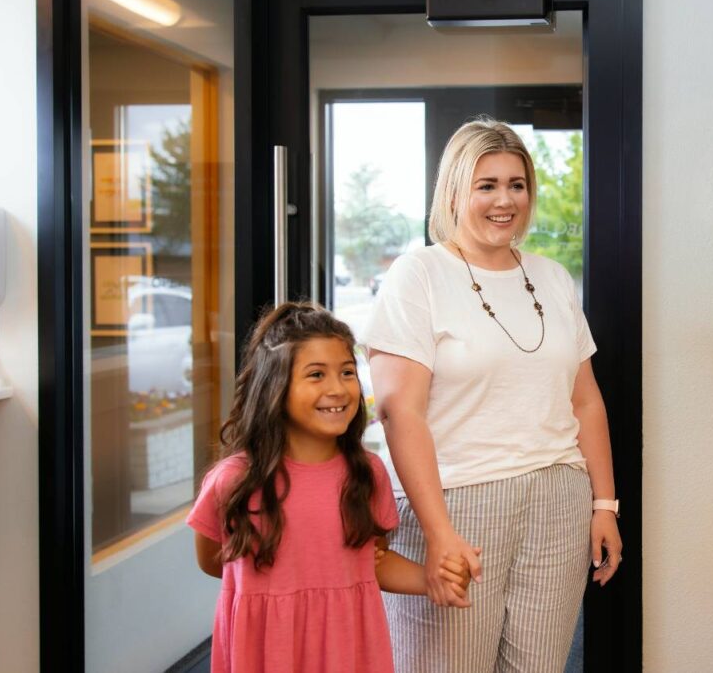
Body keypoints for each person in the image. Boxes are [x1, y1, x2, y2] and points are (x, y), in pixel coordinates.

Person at [364, 117, 623, 672]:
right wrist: (437, 534)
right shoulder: (419, 275)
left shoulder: (552, 278)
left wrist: (604, 505)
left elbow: (585, 401)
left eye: (516, 184)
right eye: (487, 185)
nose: (504, 200)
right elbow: (397, 410)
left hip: (559, 498)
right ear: (455, 191)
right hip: (457, 500)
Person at [187, 302, 471, 673]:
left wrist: (433, 579)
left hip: (348, 650)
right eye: (316, 374)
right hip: (265, 653)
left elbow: (371, 563)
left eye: (348, 372)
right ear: (275, 385)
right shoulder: (232, 481)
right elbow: (213, 561)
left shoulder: (366, 474)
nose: (338, 389)